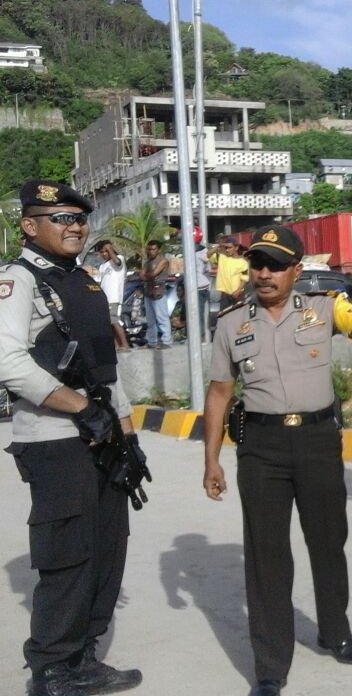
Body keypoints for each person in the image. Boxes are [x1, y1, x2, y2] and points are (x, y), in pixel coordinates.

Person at [201, 226, 352, 696]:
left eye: (275, 266)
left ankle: (335, 631)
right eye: (258, 264)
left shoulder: (326, 308)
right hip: (260, 448)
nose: (264, 274)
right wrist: (211, 461)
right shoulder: (230, 324)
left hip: (318, 442)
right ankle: (270, 664)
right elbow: (220, 393)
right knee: (267, 555)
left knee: (327, 541)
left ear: (296, 272)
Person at [0, 180, 142, 696]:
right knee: (69, 553)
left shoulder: (80, 282)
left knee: (108, 546)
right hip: (55, 438)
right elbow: (7, 361)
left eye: (79, 218)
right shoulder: (18, 280)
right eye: (59, 217)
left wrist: (126, 433)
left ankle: (83, 656)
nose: (74, 226)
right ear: (29, 225)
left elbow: (104, 369)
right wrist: (83, 409)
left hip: (102, 432)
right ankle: (52, 669)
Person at [93, 239, 129, 351]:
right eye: (102, 252)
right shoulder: (103, 266)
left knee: (114, 320)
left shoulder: (119, 260)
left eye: (106, 251)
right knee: (107, 323)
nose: (104, 254)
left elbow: (117, 262)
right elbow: (98, 281)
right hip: (105, 299)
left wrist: (109, 248)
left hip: (114, 298)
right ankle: (116, 346)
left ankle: (125, 344)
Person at [139, 239, 172, 348]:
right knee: (150, 319)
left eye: (153, 249)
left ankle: (166, 341)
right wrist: (147, 276)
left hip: (158, 291)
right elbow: (142, 275)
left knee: (162, 317)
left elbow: (153, 274)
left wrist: (147, 276)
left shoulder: (163, 261)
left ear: (158, 250)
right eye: (149, 249)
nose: (151, 251)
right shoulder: (147, 262)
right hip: (148, 291)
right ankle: (152, 341)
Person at [192, 227, 211, 341]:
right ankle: (202, 336)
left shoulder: (196, 253)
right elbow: (208, 268)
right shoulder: (204, 251)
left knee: (198, 315)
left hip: (198, 287)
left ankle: (201, 337)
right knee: (201, 314)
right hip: (203, 285)